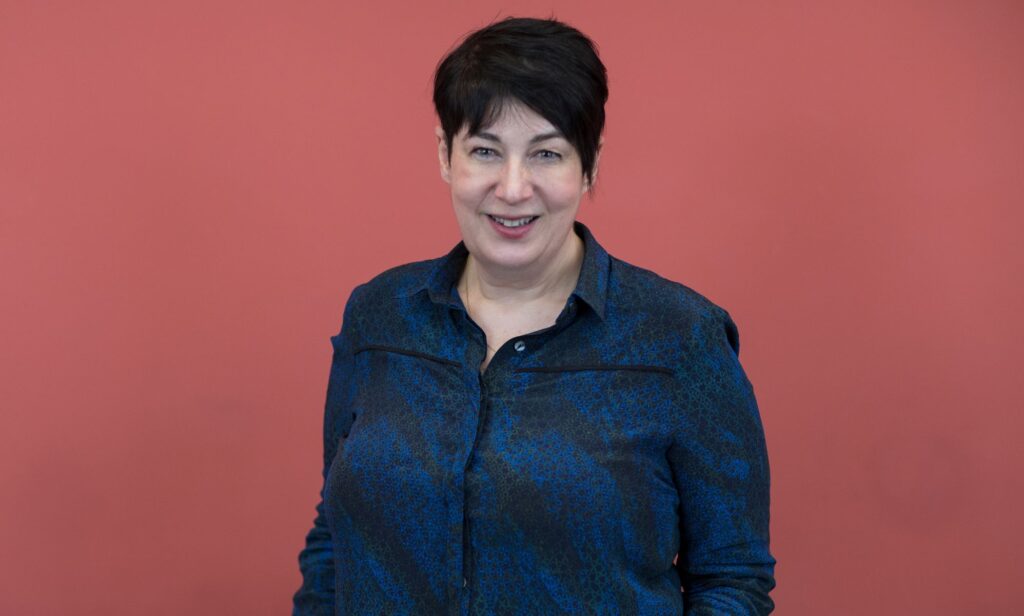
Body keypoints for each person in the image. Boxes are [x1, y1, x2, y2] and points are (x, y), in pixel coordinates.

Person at [293, 16, 775, 615]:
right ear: (446, 156)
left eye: (546, 153)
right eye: (485, 151)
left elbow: (733, 580)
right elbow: (335, 543)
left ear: (590, 164)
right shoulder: (379, 317)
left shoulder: (680, 339)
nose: (514, 188)